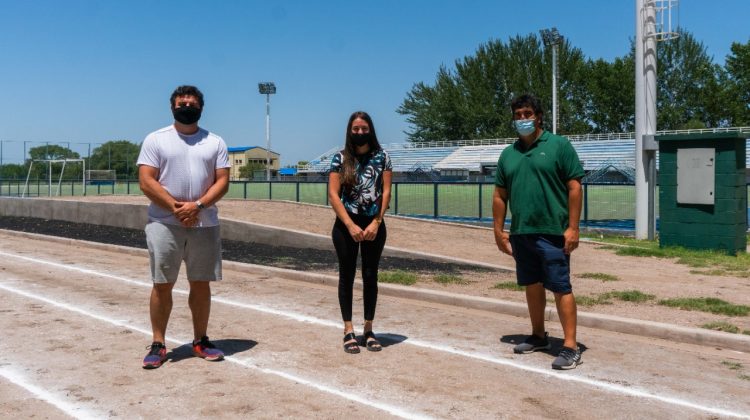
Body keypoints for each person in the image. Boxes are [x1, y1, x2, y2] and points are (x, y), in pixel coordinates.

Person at [137, 85, 231, 369]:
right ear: (172, 107)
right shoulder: (156, 139)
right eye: (181, 103)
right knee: (162, 284)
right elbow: (146, 180)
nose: (186, 106)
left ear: (201, 108)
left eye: (191, 103)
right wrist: (176, 208)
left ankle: (200, 340)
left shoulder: (215, 142)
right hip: (164, 224)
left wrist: (198, 206)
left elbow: (223, 181)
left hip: (204, 223)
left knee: (200, 284)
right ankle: (158, 343)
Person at [492, 94, 584, 370]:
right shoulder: (508, 154)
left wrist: (573, 227)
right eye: (518, 114)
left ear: (539, 116)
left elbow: (574, 187)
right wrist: (498, 231)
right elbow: (500, 195)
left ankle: (570, 346)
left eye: (527, 113)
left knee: (560, 286)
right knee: (531, 285)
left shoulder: (559, 146)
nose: (523, 118)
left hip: (553, 231)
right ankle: (538, 335)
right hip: (522, 232)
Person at [328, 111, 392, 354]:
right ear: (349, 130)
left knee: (370, 275)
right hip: (346, 225)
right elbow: (333, 195)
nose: (360, 132)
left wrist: (376, 222)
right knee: (346, 275)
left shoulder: (382, 157)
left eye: (364, 128)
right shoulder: (340, 158)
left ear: (371, 129)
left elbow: (386, 192)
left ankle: (368, 328)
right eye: (355, 129)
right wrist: (350, 224)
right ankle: (348, 329)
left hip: (374, 223)